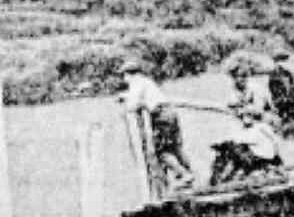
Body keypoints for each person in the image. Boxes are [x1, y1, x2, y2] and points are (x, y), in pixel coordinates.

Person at [118, 60, 225, 189]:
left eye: (124, 75)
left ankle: (184, 174)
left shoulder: (137, 83)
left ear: (130, 74)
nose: (124, 79)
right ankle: (191, 174)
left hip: (161, 116)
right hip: (170, 113)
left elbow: (132, 105)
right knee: (176, 148)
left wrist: (125, 104)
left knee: (161, 152)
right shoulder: (146, 82)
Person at [210, 110, 282, 184]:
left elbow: (274, 139)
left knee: (235, 148)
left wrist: (275, 152)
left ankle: (234, 173)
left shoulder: (261, 126)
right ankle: (220, 174)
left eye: (249, 115)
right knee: (227, 148)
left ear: (253, 117)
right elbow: (235, 139)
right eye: (245, 116)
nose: (247, 118)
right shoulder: (243, 129)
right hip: (250, 153)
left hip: (261, 154)